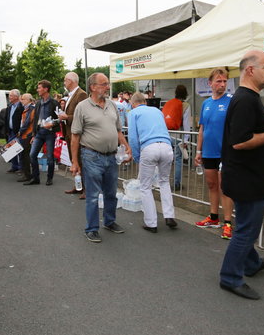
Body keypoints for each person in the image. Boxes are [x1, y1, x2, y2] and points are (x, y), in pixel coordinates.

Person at [219, 50, 264, 300]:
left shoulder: (247, 97)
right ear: (250, 70)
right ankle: (230, 277)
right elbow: (239, 142)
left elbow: (246, 133)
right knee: (247, 229)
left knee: (247, 226)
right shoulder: (246, 99)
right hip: (247, 178)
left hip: (247, 176)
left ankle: (250, 264)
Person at [70, 73, 132, 243]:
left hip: (111, 157)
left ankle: (109, 221)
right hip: (91, 156)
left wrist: (126, 145)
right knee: (92, 195)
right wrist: (75, 162)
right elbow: (75, 136)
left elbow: (118, 130)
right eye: (104, 84)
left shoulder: (112, 105)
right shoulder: (82, 107)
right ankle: (91, 229)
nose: (107, 87)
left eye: (107, 84)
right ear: (93, 87)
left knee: (111, 193)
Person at [128, 92, 177, 233]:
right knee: (164, 182)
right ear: (145, 101)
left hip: (149, 147)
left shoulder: (133, 113)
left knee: (145, 186)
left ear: (133, 103)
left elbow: (132, 137)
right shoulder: (157, 110)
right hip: (167, 146)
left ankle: (151, 222)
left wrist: (137, 157)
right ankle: (169, 215)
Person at [194, 68, 234, 239]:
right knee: (211, 184)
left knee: (224, 186)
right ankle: (213, 217)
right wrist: (198, 150)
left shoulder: (231, 102)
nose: (222, 84)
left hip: (224, 152)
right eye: (219, 81)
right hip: (208, 151)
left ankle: (227, 223)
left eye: (224, 81)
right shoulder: (206, 103)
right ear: (210, 83)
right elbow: (202, 128)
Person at [26, 80, 60, 186]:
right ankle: (35, 178)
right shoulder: (38, 103)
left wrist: (52, 124)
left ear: (45, 89)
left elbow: (60, 118)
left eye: (39, 87)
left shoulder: (54, 103)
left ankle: (49, 178)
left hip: (49, 133)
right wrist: (33, 135)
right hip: (39, 133)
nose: (37, 89)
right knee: (32, 155)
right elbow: (36, 120)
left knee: (50, 157)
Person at [59, 72, 87, 196]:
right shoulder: (71, 95)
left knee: (80, 161)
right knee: (74, 161)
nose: (64, 83)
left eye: (65, 80)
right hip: (70, 133)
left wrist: (67, 117)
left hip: (77, 134)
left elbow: (83, 115)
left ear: (70, 81)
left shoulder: (81, 94)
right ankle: (78, 186)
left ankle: (86, 189)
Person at [163, 85, 191, 190]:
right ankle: (176, 184)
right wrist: (186, 139)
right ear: (185, 94)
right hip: (178, 136)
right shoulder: (186, 105)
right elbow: (186, 124)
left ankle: (163, 182)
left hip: (166, 134)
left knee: (166, 159)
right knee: (178, 159)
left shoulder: (169, 103)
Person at [17, 93, 36, 182]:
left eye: (23, 99)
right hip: (25, 134)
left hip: (27, 135)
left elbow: (27, 122)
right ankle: (26, 173)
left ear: (29, 100)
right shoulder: (27, 109)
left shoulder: (31, 109)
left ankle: (27, 175)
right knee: (24, 155)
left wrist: (20, 131)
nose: (21, 101)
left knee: (25, 155)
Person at [4, 89, 24, 173]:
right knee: (10, 148)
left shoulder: (21, 106)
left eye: (11, 95)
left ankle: (21, 167)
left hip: (18, 131)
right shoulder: (9, 106)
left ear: (16, 97)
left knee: (18, 149)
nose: (9, 97)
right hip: (10, 131)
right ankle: (15, 166)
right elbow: (7, 118)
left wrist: (20, 131)